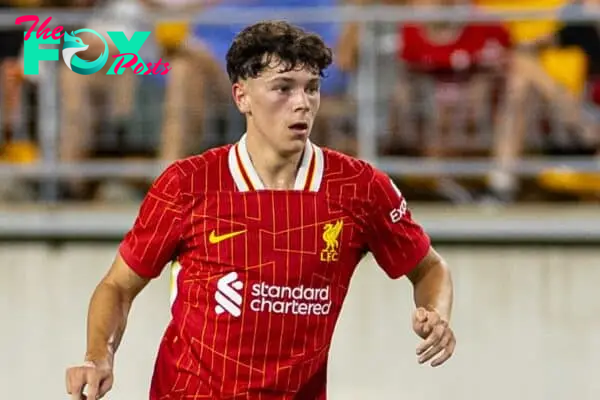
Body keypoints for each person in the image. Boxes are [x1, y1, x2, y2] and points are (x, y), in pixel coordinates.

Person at [65, 20, 456, 400]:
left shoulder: (360, 189)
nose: (302, 103)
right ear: (242, 97)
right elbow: (117, 286)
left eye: (312, 88)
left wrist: (435, 313)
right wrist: (99, 356)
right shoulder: (189, 184)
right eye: (283, 88)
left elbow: (429, 267)